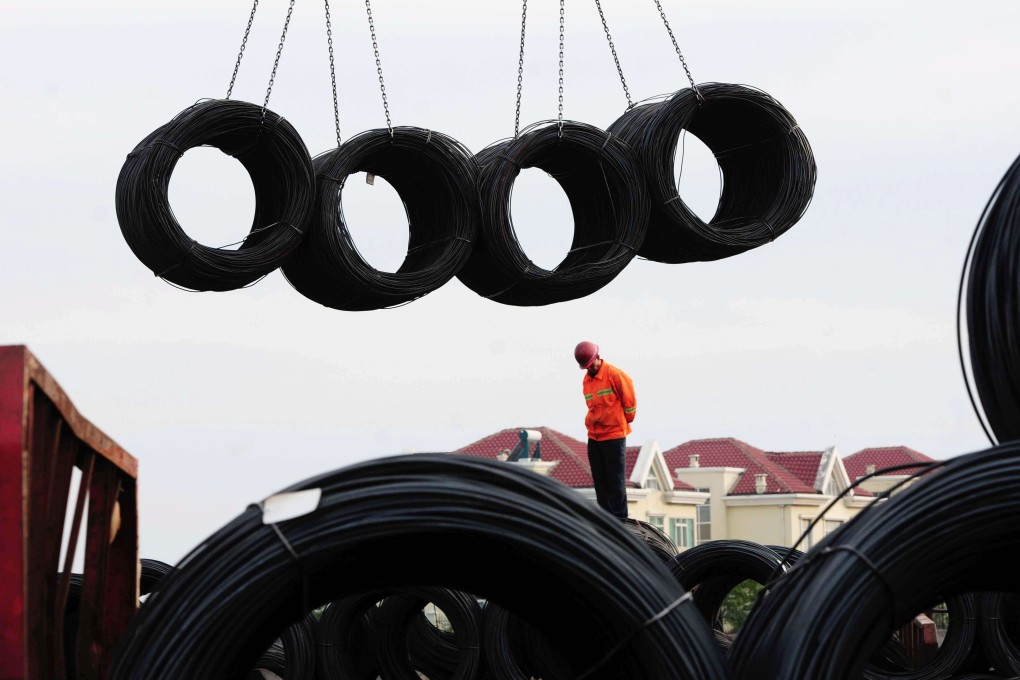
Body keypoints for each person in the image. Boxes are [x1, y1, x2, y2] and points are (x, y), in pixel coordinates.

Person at [574, 340, 636, 519]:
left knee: (615, 483)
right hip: (594, 437)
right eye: (586, 367)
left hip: (614, 436)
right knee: (600, 483)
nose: (589, 369)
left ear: (598, 358)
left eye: (590, 365)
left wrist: (621, 422)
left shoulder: (615, 375)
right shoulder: (587, 380)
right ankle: (606, 521)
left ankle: (620, 522)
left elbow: (630, 403)